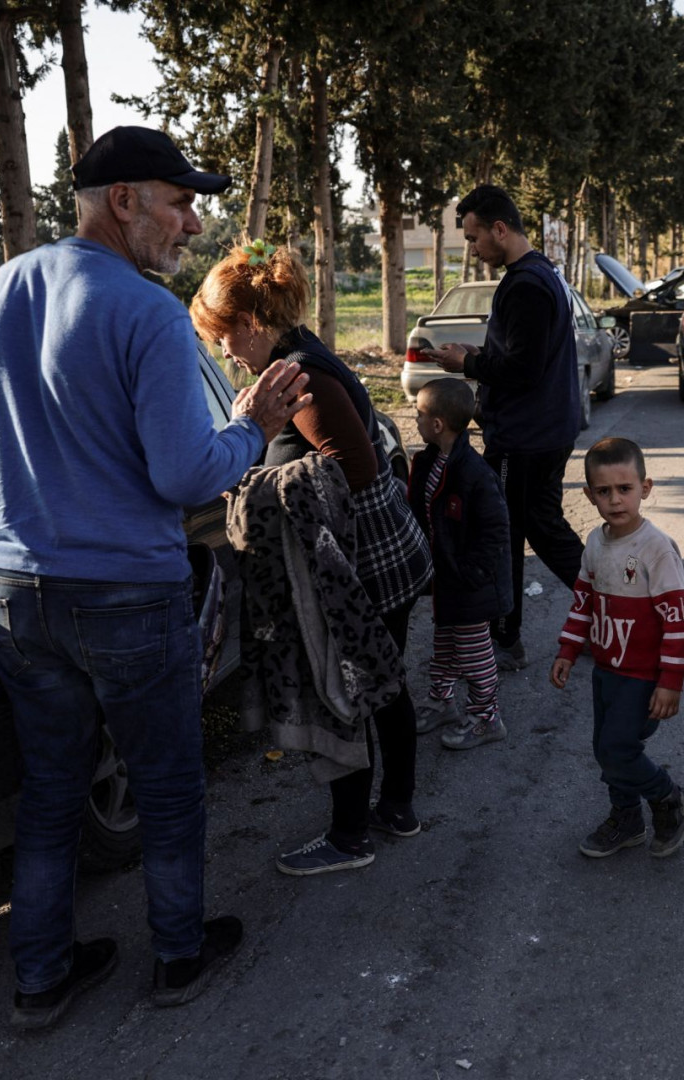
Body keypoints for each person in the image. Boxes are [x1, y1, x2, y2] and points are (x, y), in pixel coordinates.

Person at [0, 126, 310, 1029]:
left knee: (52, 788)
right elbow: (186, 475)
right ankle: (178, 957)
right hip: (125, 593)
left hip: (15, 589)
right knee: (167, 784)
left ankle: (40, 980)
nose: (194, 221)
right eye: (180, 202)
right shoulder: (143, 312)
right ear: (125, 201)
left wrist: (36, 469)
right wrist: (251, 422)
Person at [189, 240, 434, 872]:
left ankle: (350, 838)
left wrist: (247, 477)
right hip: (385, 556)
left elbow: (349, 468)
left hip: (359, 570)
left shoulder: (298, 377)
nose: (222, 351)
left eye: (222, 336)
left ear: (247, 324)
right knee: (385, 685)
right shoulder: (299, 359)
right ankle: (398, 809)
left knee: (346, 695)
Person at [423, 185, 586, 672]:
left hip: (526, 436)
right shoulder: (537, 276)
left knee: (508, 533)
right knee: (540, 526)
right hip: (540, 430)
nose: (473, 250)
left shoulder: (527, 285)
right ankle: (608, 614)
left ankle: (507, 637)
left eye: (475, 238)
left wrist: (467, 361)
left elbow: (522, 370)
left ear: (500, 228)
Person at [549, 438, 684, 858]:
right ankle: (626, 817)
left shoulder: (656, 549)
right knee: (606, 748)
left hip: (643, 677)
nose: (615, 500)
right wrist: (567, 649)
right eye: (603, 491)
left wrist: (670, 681)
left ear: (645, 488)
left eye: (625, 489)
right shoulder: (595, 543)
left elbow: (678, 621)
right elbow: (583, 602)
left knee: (618, 749)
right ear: (589, 495)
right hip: (606, 670)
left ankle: (670, 798)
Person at [407, 378, 514, 749]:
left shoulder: (473, 473)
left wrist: (472, 573)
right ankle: (442, 701)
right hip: (448, 579)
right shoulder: (431, 461)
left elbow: (496, 530)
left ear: (437, 424)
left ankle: (487, 717)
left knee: (474, 650)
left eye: (419, 414)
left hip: (470, 582)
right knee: (446, 643)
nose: (415, 420)